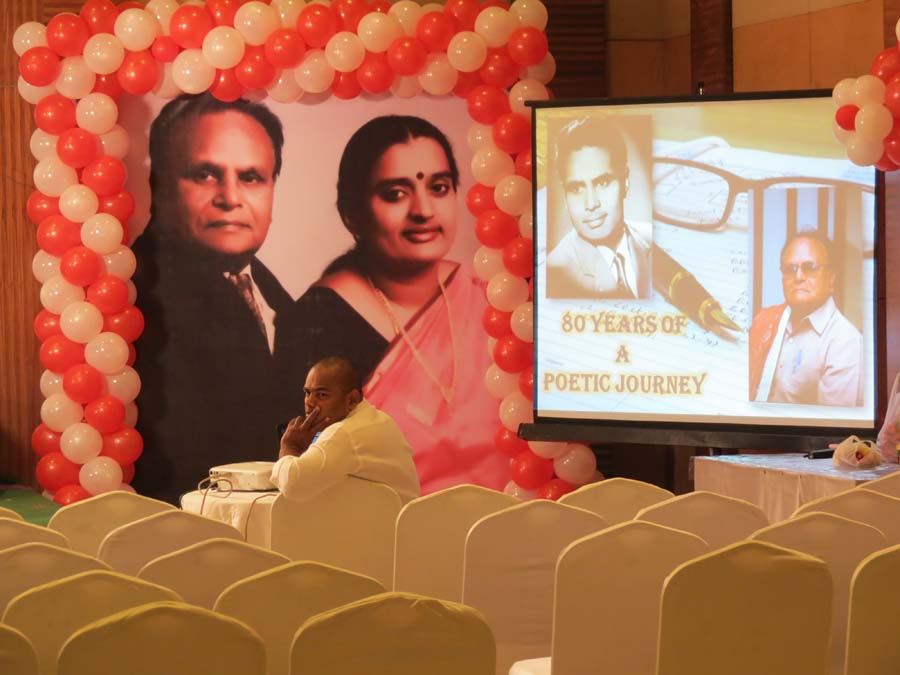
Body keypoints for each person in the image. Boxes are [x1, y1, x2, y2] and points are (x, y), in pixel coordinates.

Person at [276, 115, 509, 493]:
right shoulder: (317, 319)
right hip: (376, 518)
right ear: (352, 211)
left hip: (492, 516)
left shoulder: (487, 293)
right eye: (396, 193)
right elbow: (308, 455)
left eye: (439, 187)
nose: (423, 210)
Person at [131, 93, 294, 504]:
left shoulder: (278, 297)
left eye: (252, 177)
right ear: (159, 185)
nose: (230, 197)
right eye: (205, 174)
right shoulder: (132, 294)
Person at [271, 357, 420, 503]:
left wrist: (291, 447)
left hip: (382, 519)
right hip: (399, 518)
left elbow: (293, 485)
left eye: (322, 395)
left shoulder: (344, 433)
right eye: (307, 393)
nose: (309, 402)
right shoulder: (379, 419)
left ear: (352, 399)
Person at [748, 230, 864, 406]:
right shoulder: (767, 320)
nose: (798, 277)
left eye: (810, 268)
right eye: (790, 269)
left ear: (831, 279)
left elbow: (829, 420)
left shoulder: (845, 341)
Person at [546, 117, 652, 299]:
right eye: (576, 188)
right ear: (565, 195)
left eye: (603, 183)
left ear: (625, 181)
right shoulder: (556, 270)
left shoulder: (650, 239)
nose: (591, 204)